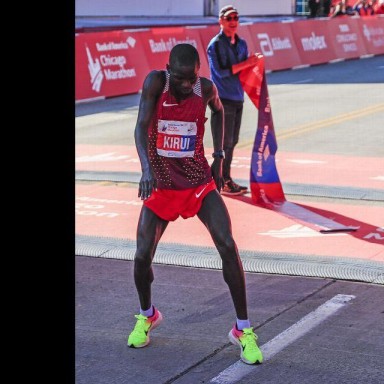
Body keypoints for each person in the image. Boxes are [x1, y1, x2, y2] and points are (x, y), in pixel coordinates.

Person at [127, 43, 263, 365]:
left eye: (193, 79)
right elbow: (140, 125)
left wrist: (219, 156)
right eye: (182, 79)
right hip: (161, 184)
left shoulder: (206, 89)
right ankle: (147, 315)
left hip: (198, 184)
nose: (188, 86)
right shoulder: (156, 84)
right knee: (142, 254)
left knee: (228, 245)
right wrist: (146, 169)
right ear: (169, 71)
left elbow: (219, 111)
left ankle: (243, 330)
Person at [207, 5, 264, 196]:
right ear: (221, 21)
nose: (233, 22)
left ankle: (224, 178)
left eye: (236, 18)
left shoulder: (241, 43)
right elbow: (220, 73)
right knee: (225, 143)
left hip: (238, 97)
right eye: (229, 18)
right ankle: (221, 180)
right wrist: (247, 63)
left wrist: (256, 65)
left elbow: (245, 71)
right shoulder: (215, 45)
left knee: (232, 141)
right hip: (222, 99)